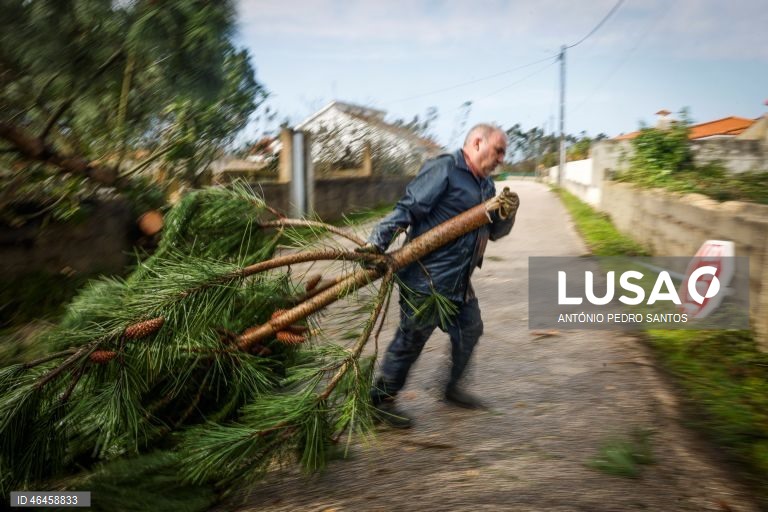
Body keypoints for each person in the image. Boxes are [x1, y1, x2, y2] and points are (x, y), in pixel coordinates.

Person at [358, 124, 519, 428]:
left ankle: (452, 389)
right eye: (498, 150)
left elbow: (493, 233)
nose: (501, 159)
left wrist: (507, 215)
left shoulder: (486, 186)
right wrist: (376, 243)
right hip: (426, 278)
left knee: (471, 329)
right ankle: (380, 401)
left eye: (503, 153)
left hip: (459, 282)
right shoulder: (445, 169)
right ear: (476, 142)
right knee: (412, 339)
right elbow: (408, 208)